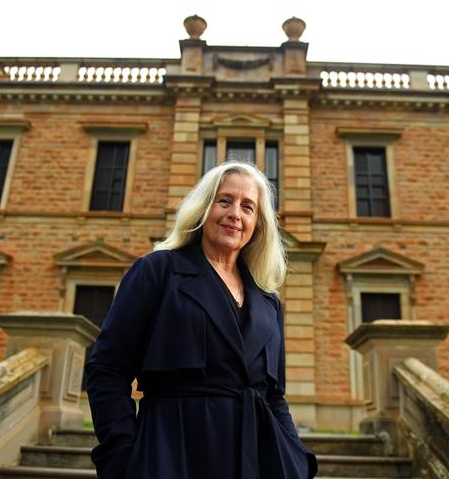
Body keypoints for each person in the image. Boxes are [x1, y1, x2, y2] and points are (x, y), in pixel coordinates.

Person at [86, 162, 318, 479]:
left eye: (248, 207)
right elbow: (107, 369)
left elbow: (273, 396)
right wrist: (123, 455)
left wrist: (297, 462)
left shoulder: (268, 302)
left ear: (258, 224)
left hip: (256, 461)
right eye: (224, 201)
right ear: (203, 208)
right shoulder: (158, 271)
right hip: (172, 452)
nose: (235, 213)